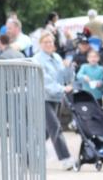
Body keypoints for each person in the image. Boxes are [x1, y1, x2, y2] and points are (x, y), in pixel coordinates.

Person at [32, 33, 76, 170]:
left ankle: (28, 154)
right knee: (55, 127)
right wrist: (63, 88)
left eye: (51, 42)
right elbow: (45, 81)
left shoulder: (57, 57)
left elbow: (66, 77)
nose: (49, 44)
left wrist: (69, 67)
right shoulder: (37, 60)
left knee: (47, 130)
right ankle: (66, 159)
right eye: (45, 42)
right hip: (42, 97)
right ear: (40, 44)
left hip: (57, 97)